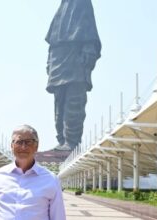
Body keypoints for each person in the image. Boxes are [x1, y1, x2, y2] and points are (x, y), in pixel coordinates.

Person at [0, 125, 66, 220]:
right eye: (19, 142)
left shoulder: (50, 180)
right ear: (12, 146)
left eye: (28, 142)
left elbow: (58, 216)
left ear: (36, 146)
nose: (23, 147)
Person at [46, 0, 101, 151]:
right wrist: (49, 63)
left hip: (75, 59)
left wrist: (88, 51)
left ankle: (71, 142)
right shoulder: (62, 7)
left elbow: (90, 32)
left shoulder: (82, 3)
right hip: (58, 60)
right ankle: (62, 140)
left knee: (74, 101)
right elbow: (52, 39)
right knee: (59, 103)